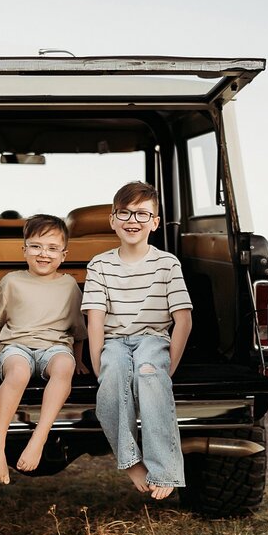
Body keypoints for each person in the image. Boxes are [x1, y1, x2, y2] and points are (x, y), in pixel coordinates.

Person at [82, 181, 193, 501]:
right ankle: (131, 461)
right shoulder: (100, 264)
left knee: (149, 375)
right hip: (114, 341)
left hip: (152, 339)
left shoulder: (167, 263)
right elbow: (95, 319)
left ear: (155, 223)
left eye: (143, 214)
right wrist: (97, 361)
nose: (133, 221)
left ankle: (165, 469)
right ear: (112, 219)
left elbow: (183, 319)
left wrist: (168, 365)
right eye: (125, 213)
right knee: (113, 379)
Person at [0, 214, 88, 484]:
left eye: (53, 248)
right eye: (37, 246)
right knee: (17, 372)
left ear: (64, 255)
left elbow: (77, 331)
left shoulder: (69, 286)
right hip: (16, 345)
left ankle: (39, 437)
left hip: (55, 347)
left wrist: (78, 361)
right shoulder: (12, 281)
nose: (44, 254)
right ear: (24, 250)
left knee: (63, 367)